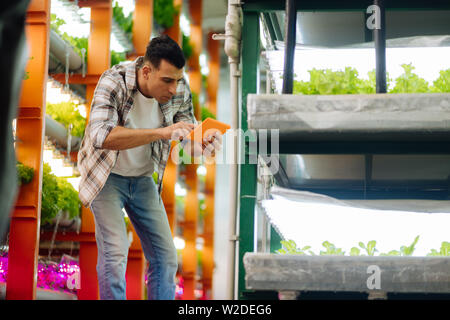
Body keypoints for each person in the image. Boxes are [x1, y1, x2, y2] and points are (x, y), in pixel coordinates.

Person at [77, 35, 221, 300]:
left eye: (177, 80)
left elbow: (185, 141)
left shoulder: (179, 90)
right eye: (167, 80)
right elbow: (101, 136)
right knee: (115, 252)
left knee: (166, 257)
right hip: (105, 177)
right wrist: (162, 132)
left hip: (142, 179)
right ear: (146, 71)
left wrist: (201, 146)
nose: (174, 89)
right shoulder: (114, 81)